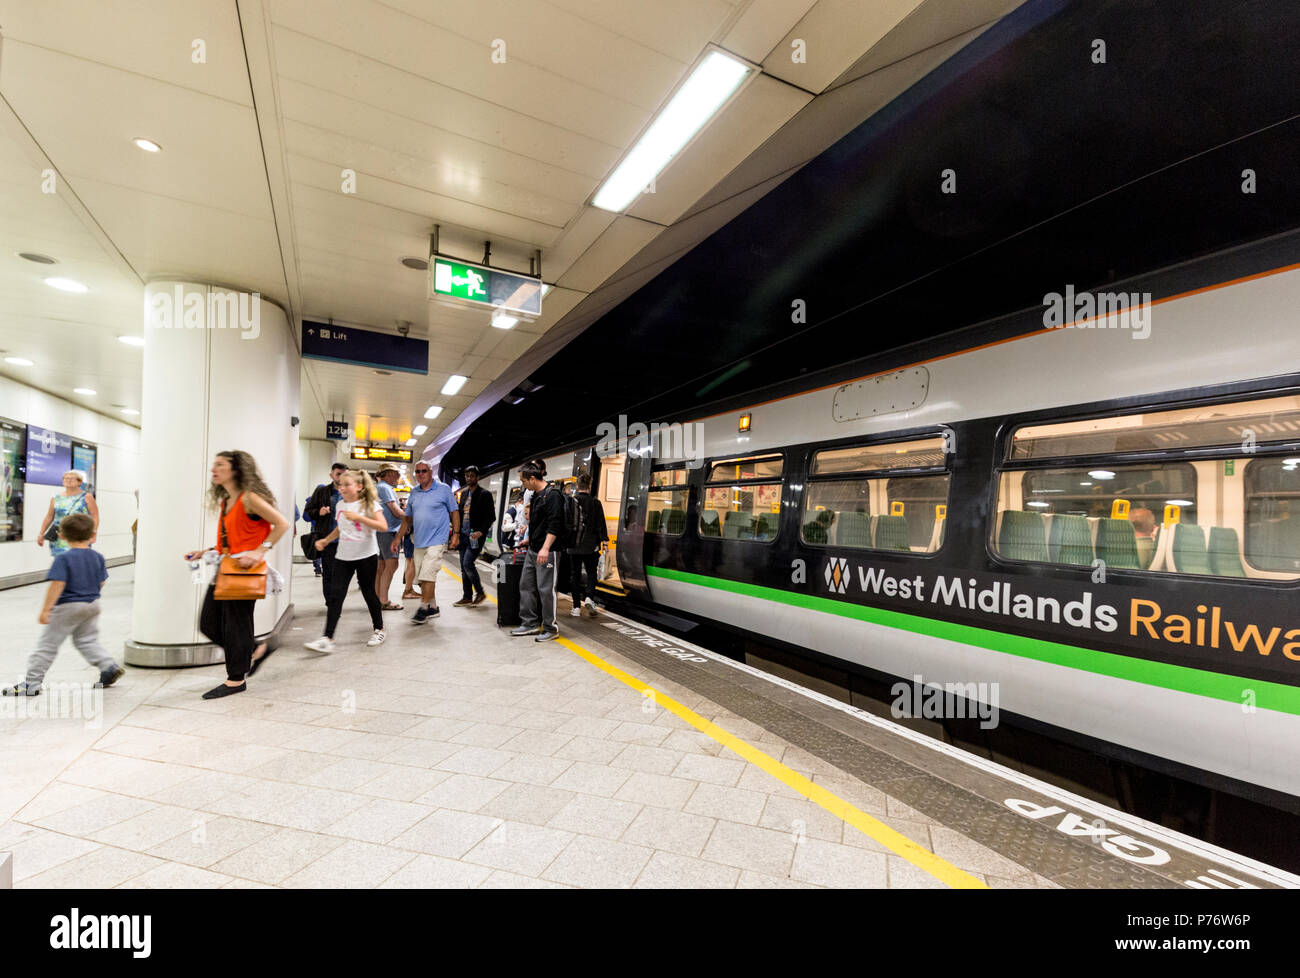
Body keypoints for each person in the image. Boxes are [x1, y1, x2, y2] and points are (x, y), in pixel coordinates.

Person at [187, 451, 290, 699]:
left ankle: (236, 679)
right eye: (214, 464)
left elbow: (282, 524)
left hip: (244, 572)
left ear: (236, 470)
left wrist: (260, 551)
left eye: (220, 464)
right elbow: (233, 539)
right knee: (209, 624)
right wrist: (207, 551)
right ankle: (254, 650)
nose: (214, 468)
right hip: (227, 567)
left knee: (236, 625)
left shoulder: (249, 498)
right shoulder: (227, 501)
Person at [2, 513, 124, 697]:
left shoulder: (64, 558)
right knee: (87, 640)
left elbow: (57, 584)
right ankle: (108, 665)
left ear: (61, 536)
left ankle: (31, 684)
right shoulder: (97, 557)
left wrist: (46, 610)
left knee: (47, 645)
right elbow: (102, 582)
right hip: (92, 604)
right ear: (92, 535)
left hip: (68, 606)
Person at [307, 470, 388, 651]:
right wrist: (326, 540)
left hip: (366, 555)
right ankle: (327, 638)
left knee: (368, 593)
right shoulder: (340, 504)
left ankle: (379, 628)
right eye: (340, 485)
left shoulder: (369, 504)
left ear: (359, 487)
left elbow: (383, 526)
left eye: (346, 484)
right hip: (344, 556)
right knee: (336, 596)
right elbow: (341, 528)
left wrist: (360, 517)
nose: (342, 488)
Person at [394, 461, 459, 624]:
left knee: (428, 572)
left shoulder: (444, 490)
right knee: (423, 578)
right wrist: (397, 538)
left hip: (438, 540)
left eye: (424, 471)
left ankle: (423, 608)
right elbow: (407, 518)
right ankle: (433, 606)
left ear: (430, 472)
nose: (420, 474)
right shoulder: (414, 493)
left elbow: (454, 512)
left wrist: (456, 534)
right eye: (417, 472)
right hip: (419, 541)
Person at [511, 460, 564, 642]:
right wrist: (529, 540)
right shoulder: (535, 496)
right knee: (526, 586)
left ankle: (551, 627)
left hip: (548, 552)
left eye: (523, 481)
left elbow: (555, 524)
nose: (522, 484)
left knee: (546, 589)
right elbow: (538, 524)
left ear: (532, 478)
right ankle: (530, 623)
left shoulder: (553, 495)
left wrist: (546, 547)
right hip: (534, 549)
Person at [567, 473, 609, 617]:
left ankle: (576, 607)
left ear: (577, 486)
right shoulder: (596, 503)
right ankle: (589, 597)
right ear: (590, 486)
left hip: (574, 544)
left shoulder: (572, 501)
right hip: (591, 545)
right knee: (592, 573)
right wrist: (605, 542)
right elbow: (601, 524)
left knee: (575, 575)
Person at [453, 465, 494, 607]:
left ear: (478, 477)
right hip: (463, 536)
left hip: (476, 536)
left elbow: (491, 517)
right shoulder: (463, 493)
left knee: (467, 563)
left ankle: (480, 592)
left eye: (472, 476)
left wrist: (481, 531)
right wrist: (456, 533)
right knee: (463, 568)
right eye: (467, 476)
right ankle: (467, 596)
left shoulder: (485, 494)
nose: (469, 478)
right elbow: (458, 514)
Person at [306, 463, 347, 598]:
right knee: (329, 573)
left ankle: (338, 601)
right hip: (328, 539)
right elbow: (308, 512)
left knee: (343, 575)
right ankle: (331, 603)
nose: (341, 477)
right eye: (338, 474)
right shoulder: (322, 492)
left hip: (348, 541)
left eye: (344, 474)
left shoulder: (352, 492)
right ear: (332, 475)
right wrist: (319, 512)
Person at [38, 470, 98, 558]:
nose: (68, 480)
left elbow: (95, 516)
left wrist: (94, 532)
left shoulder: (86, 497)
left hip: (80, 535)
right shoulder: (56, 498)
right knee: (61, 560)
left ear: (79, 482)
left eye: (72, 479)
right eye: (66, 478)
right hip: (60, 535)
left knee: (78, 559)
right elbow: (49, 516)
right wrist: (41, 533)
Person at [374, 464, 405, 610]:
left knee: (382, 566)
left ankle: (377, 598)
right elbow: (396, 511)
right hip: (389, 531)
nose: (398, 477)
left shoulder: (380, 487)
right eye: (396, 474)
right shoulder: (385, 488)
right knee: (392, 564)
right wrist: (413, 517)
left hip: (382, 531)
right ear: (388, 474)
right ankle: (384, 600)